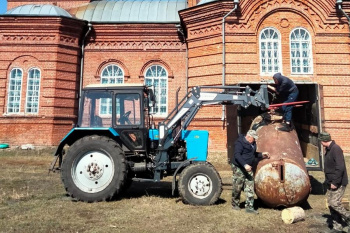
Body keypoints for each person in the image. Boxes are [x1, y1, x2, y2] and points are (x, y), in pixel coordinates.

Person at [231, 129, 269, 214]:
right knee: (237, 187)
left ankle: (249, 207)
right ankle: (235, 204)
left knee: (250, 186)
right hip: (239, 167)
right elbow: (237, 155)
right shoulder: (239, 143)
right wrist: (245, 165)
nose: (255, 140)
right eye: (253, 138)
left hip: (248, 168)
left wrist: (262, 154)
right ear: (248, 137)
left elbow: (252, 154)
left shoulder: (252, 143)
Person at [318, 132, 350, 232]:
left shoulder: (336, 149)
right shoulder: (328, 149)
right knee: (331, 205)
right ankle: (337, 227)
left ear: (324, 141)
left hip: (338, 182)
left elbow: (340, 168)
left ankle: (348, 217)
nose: (320, 143)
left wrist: (335, 182)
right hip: (331, 181)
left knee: (334, 203)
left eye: (320, 141)